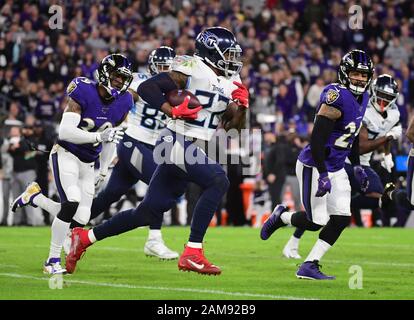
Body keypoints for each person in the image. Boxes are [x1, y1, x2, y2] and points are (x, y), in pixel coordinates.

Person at [65, 27, 248, 276]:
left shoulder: (233, 82)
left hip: (190, 146)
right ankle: (193, 252)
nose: (232, 60)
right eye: (227, 54)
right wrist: (170, 109)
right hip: (173, 140)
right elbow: (148, 88)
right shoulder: (192, 67)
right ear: (211, 51)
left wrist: (243, 106)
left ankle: (84, 238)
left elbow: (233, 126)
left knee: (147, 212)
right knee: (218, 180)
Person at [11, 53, 133, 274]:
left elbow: (111, 139)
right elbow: (65, 132)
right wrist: (98, 138)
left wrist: (104, 170)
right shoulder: (83, 90)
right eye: (117, 76)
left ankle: (35, 197)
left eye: (123, 78)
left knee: (81, 217)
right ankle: (52, 260)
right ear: (105, 73)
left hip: (88, 163)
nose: (120, 82)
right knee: (71, 203)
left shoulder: (124, 102)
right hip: (65, 154)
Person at [260, 49, 374, 280]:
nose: (360, 79)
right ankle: (281, 216)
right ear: (344, 73)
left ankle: (309, 264)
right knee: (316, 222)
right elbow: (317, 140)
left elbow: (350, 137)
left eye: (364, 75)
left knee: (341, 218)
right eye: (355, 74)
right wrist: (322, 173)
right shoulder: (336, 95)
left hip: (337, 166)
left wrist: (358, 165)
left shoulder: (364, 98)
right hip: (315, 164)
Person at [283, 74, 401, 259]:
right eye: (381, 96)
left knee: (379, 198)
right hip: (343, 161)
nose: (384, 101)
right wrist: (387, 139)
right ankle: (294, 240)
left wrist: (386, 154)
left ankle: (334, 215)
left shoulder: (394, 114)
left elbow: (384, 135)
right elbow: (359, 145)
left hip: (362, 164)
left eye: (388, 98)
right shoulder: (362, 105)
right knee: (319, 216)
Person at [83, 46, 179, 260]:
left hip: (154, 146)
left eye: (169, 68)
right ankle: (154, 239)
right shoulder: (139, 82)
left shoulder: (178, 88)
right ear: (153, 67)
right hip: (133, 141)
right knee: (161, 183)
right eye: (162, 67)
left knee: (112, 193)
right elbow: (121, 102)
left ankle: (73, 225)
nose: (165, 71)